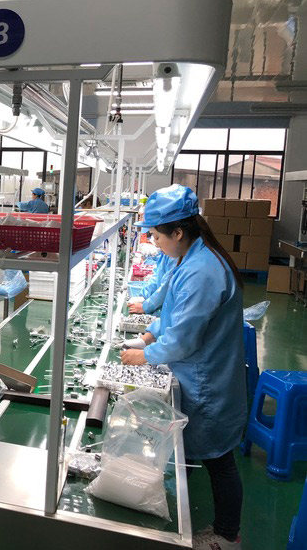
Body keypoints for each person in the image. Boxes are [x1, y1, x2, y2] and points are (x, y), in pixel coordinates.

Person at [120, 184, 245, 550]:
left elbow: (184, 339)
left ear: (177, 232)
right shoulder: (192, 258)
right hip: (198, 371)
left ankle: (227, 535)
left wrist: (144, 356)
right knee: (203, 455)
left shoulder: (202, 271)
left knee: (220, 461)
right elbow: (177, 313)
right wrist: (148, 336)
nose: (155, 243)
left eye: (157, 236)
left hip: (208, 381)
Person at [128, 251, 173, 315]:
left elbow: (165, 288)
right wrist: (144, 296)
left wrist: (146, 307)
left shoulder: (175, 258)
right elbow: (156, 278)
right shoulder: (165, 255)